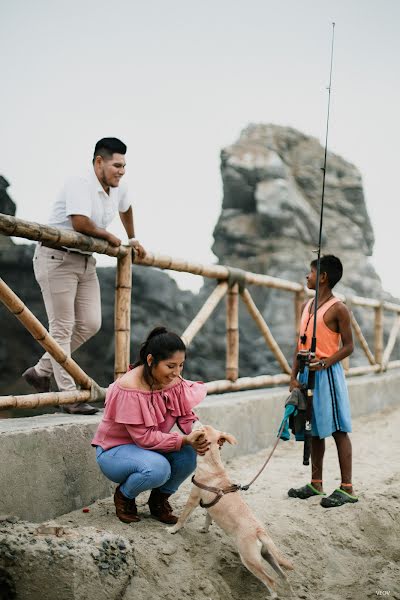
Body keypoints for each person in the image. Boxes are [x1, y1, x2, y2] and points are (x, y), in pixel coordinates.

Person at [22, 137, 146, 414]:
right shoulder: (79, 182)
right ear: (99, 162)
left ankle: (40, 371)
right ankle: (68, 397)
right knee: (62, 327)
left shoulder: (118, 187)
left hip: (85, 261)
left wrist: (133, 238)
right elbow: (79, 221)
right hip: (56, 258)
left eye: (124, 166)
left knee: (90, 323)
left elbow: (126, 208)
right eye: (117, 165)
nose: (121, 171)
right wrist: (108, 236)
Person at [91, 327, 210, 524]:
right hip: (115, 452)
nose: (177, 373)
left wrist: (200, 433)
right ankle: (124, 496)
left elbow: (186, 416)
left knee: (190, 454)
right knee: (158, 469)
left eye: (181, 365)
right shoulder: (129, 388)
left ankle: (158, 501)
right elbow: (144, 438)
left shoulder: (173, 381)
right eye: (171, 366)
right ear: (150, 360)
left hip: (148, 449)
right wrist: (184, 439)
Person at [287, 255, 358, 508]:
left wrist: (326, 362)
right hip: (307, 372)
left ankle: (347, 488)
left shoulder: (338, 308)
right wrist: (293, 375)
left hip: (328, 374)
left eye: (311, 272)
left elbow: (349, 346)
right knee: (312, 427)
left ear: (324, 277)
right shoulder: (307, 306)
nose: (307, 276)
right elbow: (301, 343)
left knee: (339, 429)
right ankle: (316, 483)